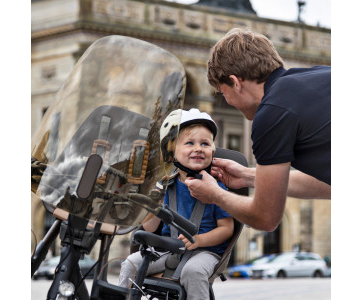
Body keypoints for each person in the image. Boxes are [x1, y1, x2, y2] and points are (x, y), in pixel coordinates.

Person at [184, 28, 331, 232]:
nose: (227, 101)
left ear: (235, 83)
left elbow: (265, 217)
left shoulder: (271, 113)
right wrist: (250, 176)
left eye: (223, 93)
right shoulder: (319, 75)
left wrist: (215, 194)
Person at [118, 108, 234, 300]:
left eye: (205, 143)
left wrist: (200, 240)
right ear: (171, 152)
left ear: (212, 150)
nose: (198, 148)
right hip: (168, 249)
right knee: (131, 263)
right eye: (190, 143)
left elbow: (227, 229)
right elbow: (149, 227)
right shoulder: (166, 186)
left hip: (206, 251)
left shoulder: (216, 188)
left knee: (193, 272)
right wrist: (154, 201)